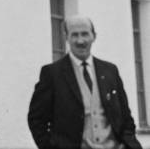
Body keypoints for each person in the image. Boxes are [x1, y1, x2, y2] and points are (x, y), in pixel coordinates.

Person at [28, 15, 142, 149]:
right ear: (66, 37)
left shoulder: (110, 71)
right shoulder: (52, 74)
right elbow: (36, 120)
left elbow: (126, 117)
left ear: (94, 36)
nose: (80, 41)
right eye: (74, 35)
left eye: (85, 34)